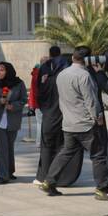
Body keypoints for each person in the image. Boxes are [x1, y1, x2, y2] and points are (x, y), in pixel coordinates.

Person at [40, 47, 108, 199]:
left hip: (69, 123)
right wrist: (98, 117)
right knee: (98, 155)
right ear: (87, 60)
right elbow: (90, 100)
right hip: (85, 124)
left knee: (65, 153)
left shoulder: (62, 74)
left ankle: (49, 181)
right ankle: (102, 188)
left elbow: (62, 99)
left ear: (73, 57)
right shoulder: (84, 76)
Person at [0, 62, 26, 184]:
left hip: (13, 120)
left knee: (9, 147)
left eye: (2, 70)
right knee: (1, 149)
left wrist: (13, 106)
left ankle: (9, 171)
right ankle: (3, 175)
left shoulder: (19, 83)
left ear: (8, 71)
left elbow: (24, 99)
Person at [35, 46, 68, 182]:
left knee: (47, 146)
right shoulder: (65, 70)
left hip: (49, 115)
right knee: (62, 146)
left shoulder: (45, 72)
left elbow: (39, 92)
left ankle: (44, 176)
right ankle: (59, 177)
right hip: (63, 114)